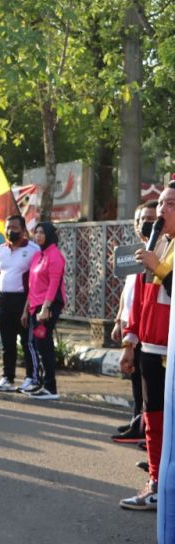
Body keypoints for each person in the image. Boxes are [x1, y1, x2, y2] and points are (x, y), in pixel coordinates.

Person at [118, 183, 175, 510]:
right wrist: (131, 342)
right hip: (151, 348)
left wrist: (160, 267)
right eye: (162, 204)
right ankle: (156, 482)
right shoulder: (159, 246)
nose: (161, 211)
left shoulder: (161, 256)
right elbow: (139, 299)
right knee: (152, 418)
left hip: (172, 350)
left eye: (170, 204)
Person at [111, 202, 156, 443]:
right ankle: (137, 421)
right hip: (130, 325)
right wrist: (119, 319)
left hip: (146, 329)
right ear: (136, 225)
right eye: (143, 219)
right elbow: (127, 294)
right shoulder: (134, 254)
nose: (148, 223)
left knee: (145, 383)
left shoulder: (157, 255)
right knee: (136, 379)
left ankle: (145, 428)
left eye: (152, 217)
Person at [0, 215, 41, 393]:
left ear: (23, 231)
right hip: (4, 301)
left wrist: (28, 307)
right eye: (8, 228)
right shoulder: (0, 250)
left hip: (24, 301)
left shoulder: (33, 250)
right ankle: (7, 377)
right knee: (7, 343)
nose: (10, 231)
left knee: (27, 342)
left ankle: (31, 378)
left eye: (15, 228)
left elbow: (36, 281)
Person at [21, 222, 66, 400]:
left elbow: (54, 284)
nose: (38, 235)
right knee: (35, 344)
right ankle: (40, 383)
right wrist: (27, 309)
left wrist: (46, 308)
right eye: (36, 232)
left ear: (49, 234)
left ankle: (50, 388)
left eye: (42, 232)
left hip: (47, 306)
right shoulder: (38, 255)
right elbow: (32, 286)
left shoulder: (55, 255)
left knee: (44, 346)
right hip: (35, 305)